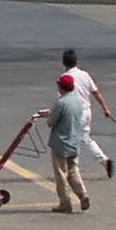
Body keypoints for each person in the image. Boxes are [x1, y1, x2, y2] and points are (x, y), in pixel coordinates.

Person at [35, 73, 90, 213]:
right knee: (73, 171)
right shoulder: (78, 101)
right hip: (74, 141)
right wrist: (52, 112)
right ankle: (82, 194)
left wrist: (50, 115)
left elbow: (51, 123)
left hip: (61, 142)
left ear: (61, 88)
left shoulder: (61, 102)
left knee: (60, 173)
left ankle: (65, 203)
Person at [61, 48, 114, 178]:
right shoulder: (84, 75)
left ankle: (73, 169)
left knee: (71, 140)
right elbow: (95, 92)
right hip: (87, 111)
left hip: (74, 112)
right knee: (86, 139)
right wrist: (104, 108)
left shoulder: (64, 78)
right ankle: (103, 160)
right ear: (77, 61)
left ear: (63, 63)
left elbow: (62, 99)